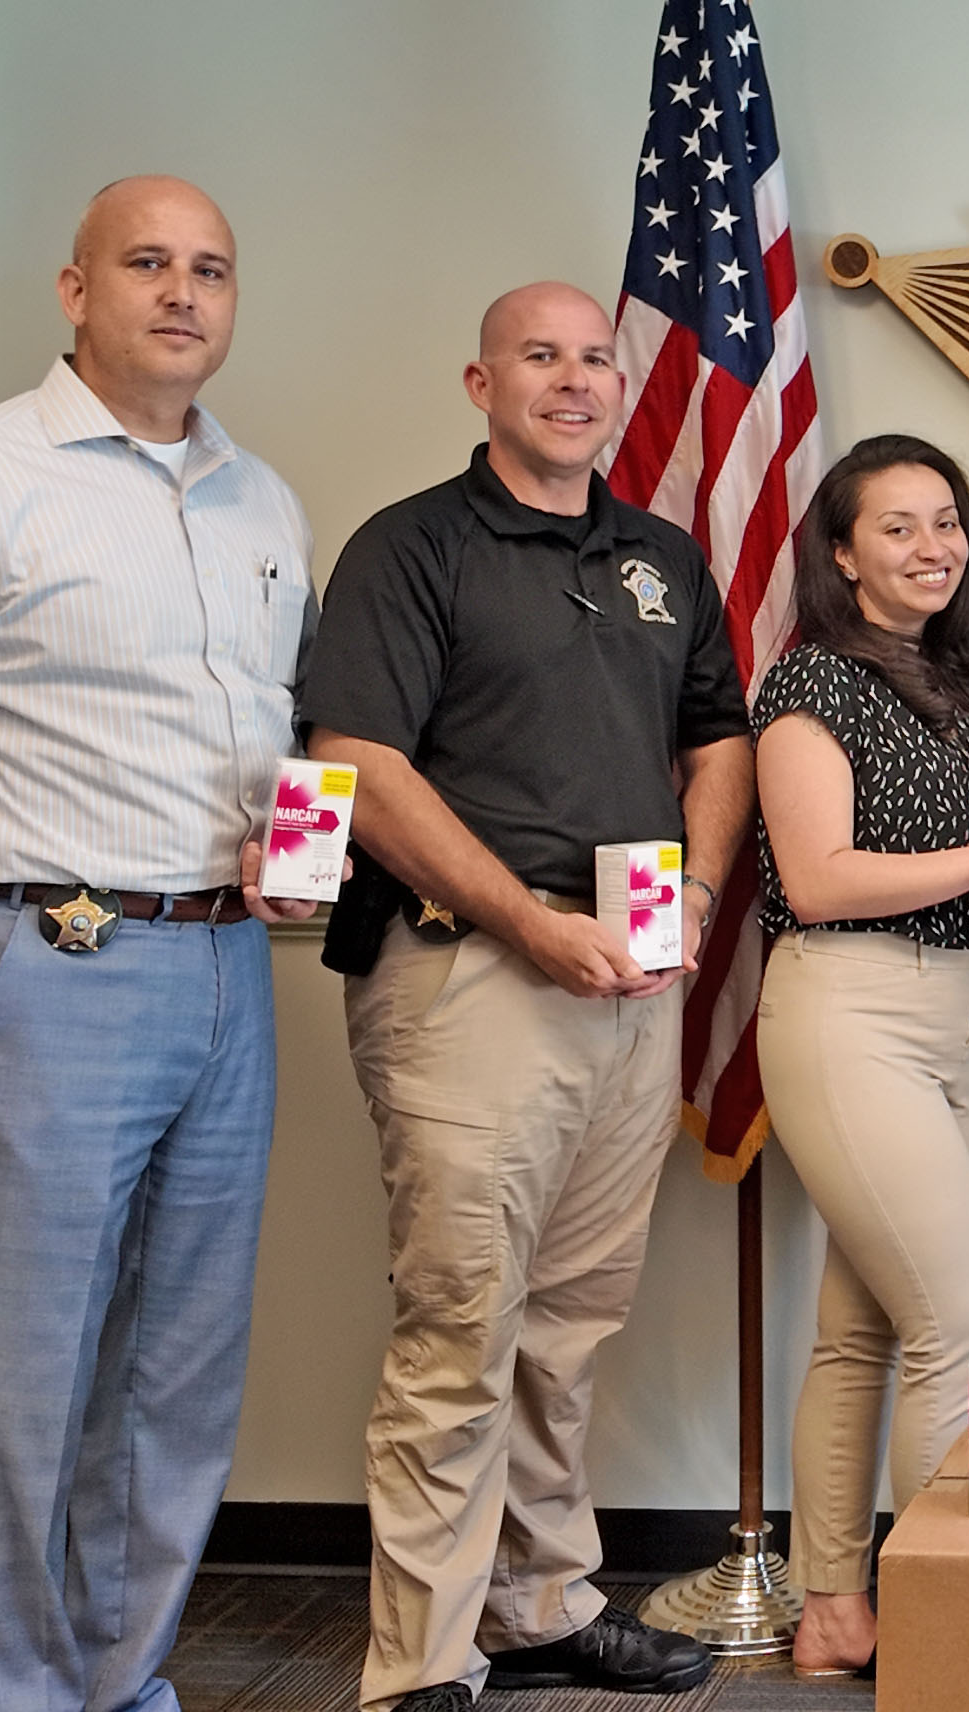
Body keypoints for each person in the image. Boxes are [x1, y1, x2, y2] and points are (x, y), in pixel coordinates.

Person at [0, 175, 323, 1712]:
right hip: (38, 968)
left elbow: (269, 735)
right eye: (148, 262)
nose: (183, 292)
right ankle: (15, 1696)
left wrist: (290, 857)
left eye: (212, 268)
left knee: (176, 1376)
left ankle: (123, 1681)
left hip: (228, 969)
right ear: (74, 289)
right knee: (18, 1386)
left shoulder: (263, 502)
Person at [298, 282, 752, 1709]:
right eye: (540, 357)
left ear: (623, 386)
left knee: (568, 1325)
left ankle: (542, 1604)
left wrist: (687, 892)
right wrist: (528, 920)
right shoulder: (413, 547)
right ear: (480, 382)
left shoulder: (661, 558)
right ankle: (417, 1665)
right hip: (471, 977)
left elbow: (716, 743)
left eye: (594, 358)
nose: (574, 380)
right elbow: (360, 763)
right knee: (462, 1323)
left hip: (630, 982)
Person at [749, 435, 969, 1679]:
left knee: (865, 1329)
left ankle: (834, 1613)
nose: (933, 548)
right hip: (849, 1012)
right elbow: (818, 881)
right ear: (841, 555)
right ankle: (949, 1626)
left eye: (948, 523)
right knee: (961, 1325)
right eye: (898, 529)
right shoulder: (807, 688)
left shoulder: (965, 684)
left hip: (958, 1017)